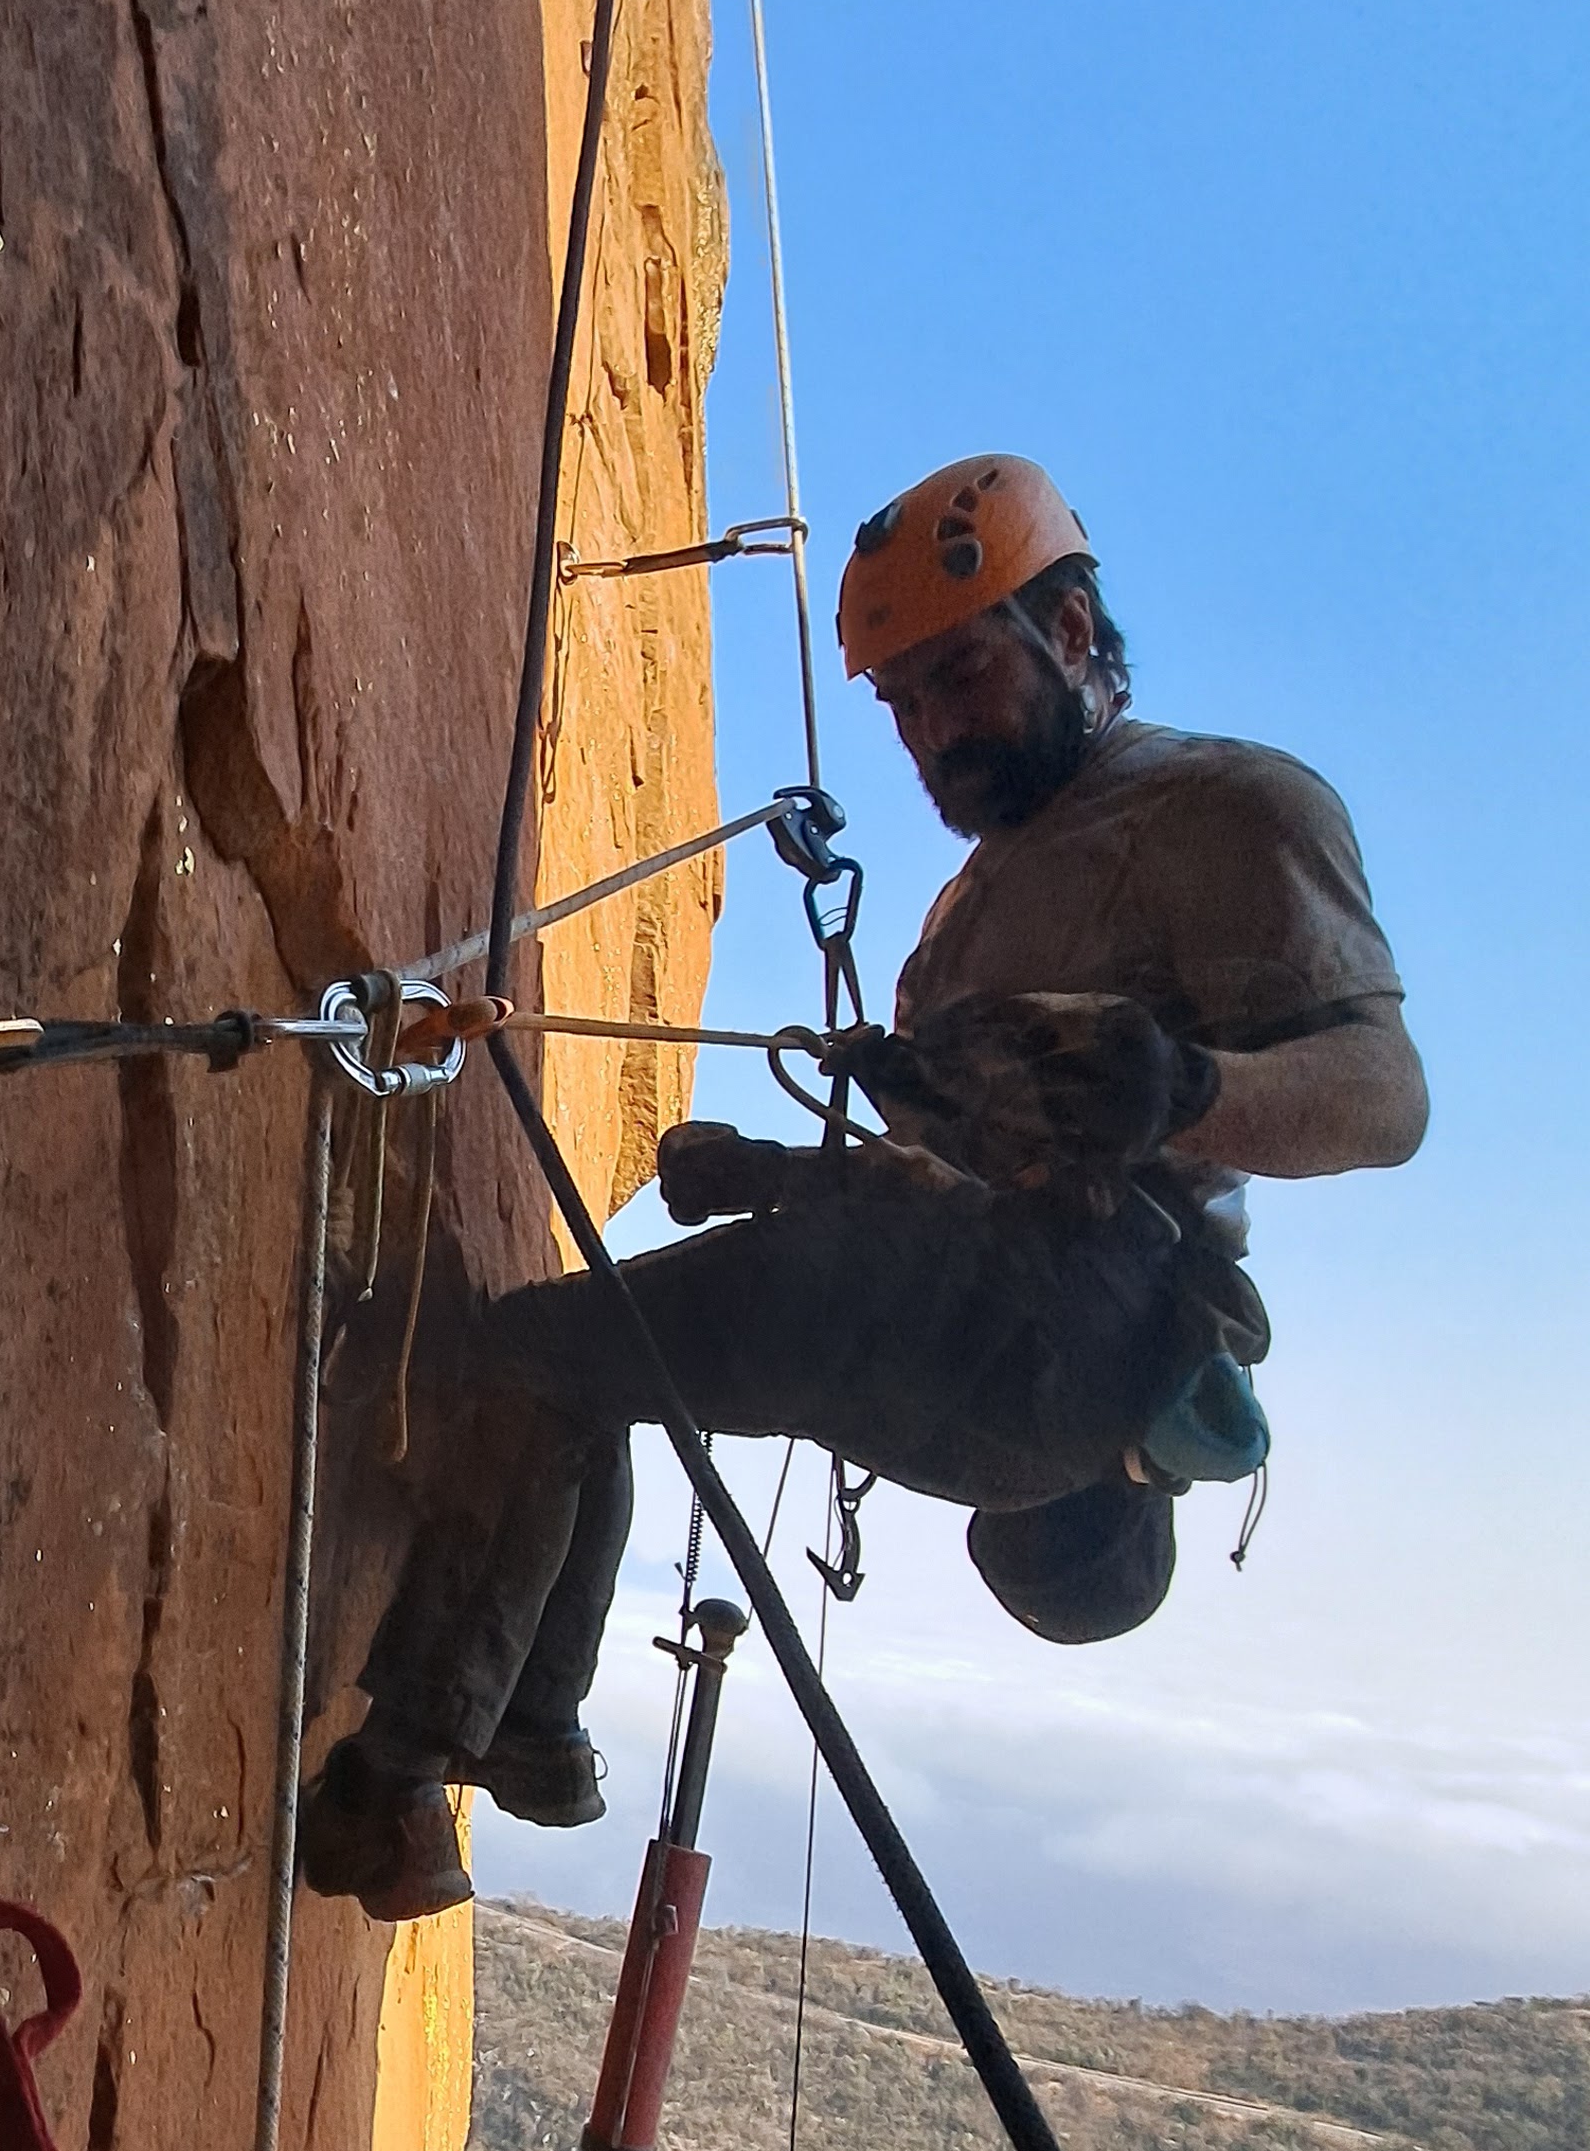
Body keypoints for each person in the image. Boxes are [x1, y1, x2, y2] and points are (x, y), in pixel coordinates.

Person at [299, 452, 1428, 1925]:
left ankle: (410, 1782)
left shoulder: (1225, 809)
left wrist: (1197, 1094)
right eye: (903, 704)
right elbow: (946, 1190)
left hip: (1074, 1312)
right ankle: (528, 1735)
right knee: (585, 1370)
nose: (933, 732)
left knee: (537, 1363)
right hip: (1002, 1333)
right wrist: (774, 1171)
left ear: (1072, 635)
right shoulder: (965, 917)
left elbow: (1386, 1096)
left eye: (960, 676)